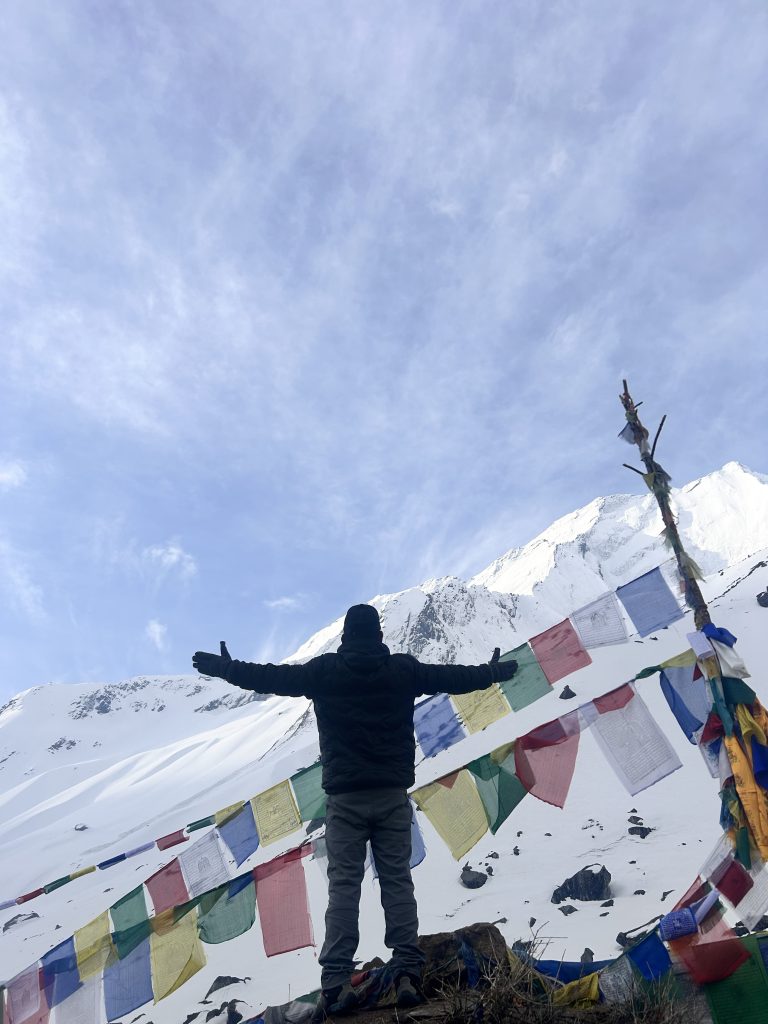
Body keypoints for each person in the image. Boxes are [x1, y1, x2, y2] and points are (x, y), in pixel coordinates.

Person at [193, 603, 518, 1018]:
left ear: (346, 635)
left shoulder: (325, 671)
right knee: (397, 882)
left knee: (343, 889)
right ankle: (406, 975)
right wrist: (490, 672)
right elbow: (452, 677)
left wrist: (228, 668)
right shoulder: (403, 670)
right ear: (379, 635)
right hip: (391, 796)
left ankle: (336, 984)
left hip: (344, 802)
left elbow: (271, 677)